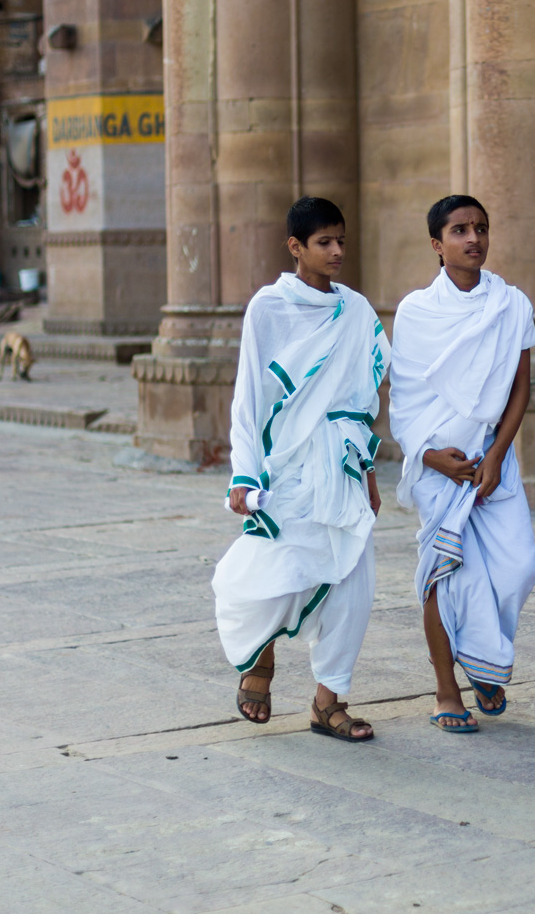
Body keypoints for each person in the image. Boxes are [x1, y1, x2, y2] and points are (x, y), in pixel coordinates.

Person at [213, 197, 389, 743]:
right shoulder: (269, 309)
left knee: (353, 583)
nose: (337, 252)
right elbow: (250, 396)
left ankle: (328, 703)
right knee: (269, 574)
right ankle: (259, 659)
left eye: (342, 241)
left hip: (342, 465)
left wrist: (369, 472)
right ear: (296, 247)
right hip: (285, 466)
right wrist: (245, 475)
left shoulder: (356, 311)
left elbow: (364, 397)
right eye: (324, 243)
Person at [390, 195, 535, 733]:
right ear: (437, 244)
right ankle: (447, 688)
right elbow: (402, 399)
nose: (473, 238)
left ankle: (482, 656)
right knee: (446, 574)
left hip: (492, 461)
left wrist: (497, 455)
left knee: (517, 567)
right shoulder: (415, 311)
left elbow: (521, 387)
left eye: (480, 228)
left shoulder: (511, 304)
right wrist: (430, 457)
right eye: (458, 230)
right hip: (437, 465)